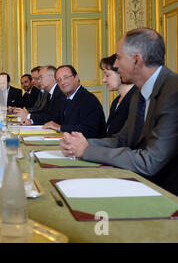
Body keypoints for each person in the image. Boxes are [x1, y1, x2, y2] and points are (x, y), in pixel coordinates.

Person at [60, 28, 178, 195]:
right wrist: (77, 143)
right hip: (136, 182)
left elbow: (149, 162)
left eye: (119, 57)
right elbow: (122, 140)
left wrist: (87, 150)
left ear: (137, 60)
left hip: (166, 195)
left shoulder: (173, 91)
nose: (115, 64)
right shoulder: (139, 92)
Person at [42, 65, 106, 138]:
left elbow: (90, 130)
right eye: (59, 80)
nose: (62, 82)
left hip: (90, 146)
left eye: (65, 77)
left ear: (76, 77)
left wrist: (61, 128)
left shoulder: (88, 99)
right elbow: (55, 119)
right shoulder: (64, 99)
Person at [100, 54, 137, 136]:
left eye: (107, 75)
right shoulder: (116, 102)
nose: (103, 80)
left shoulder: (137, 100)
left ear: (121, 72)